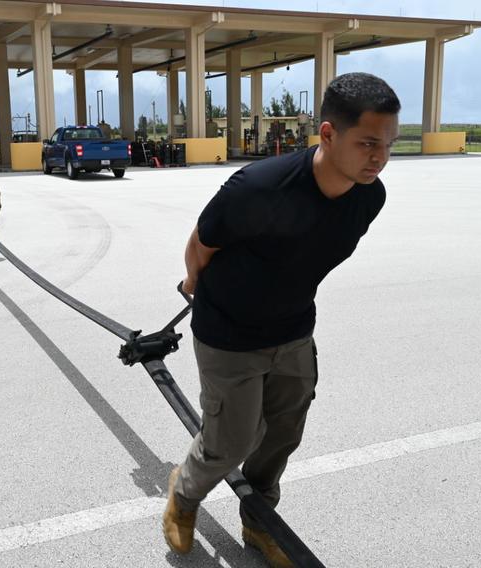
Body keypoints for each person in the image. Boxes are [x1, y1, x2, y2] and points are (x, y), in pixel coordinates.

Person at [163, 72, 401, 567]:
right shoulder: (258, 188)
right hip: (229, 334)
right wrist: (196, 287)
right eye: (368, 143)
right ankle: (183, 498)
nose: (379, 157)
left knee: (281, 436)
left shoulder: (368, 198)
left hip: (294, 332)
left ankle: (259, 521)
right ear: (329, 134)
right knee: (229, 441)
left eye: (389, 144)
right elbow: (200, 245)